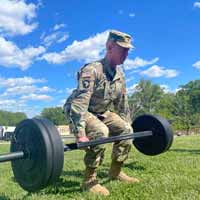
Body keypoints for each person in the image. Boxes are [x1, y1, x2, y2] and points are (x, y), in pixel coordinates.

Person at [63, 30, 139, 196]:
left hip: (101, 111)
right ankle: (89, 181)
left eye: (127, 50)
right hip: (80, 110)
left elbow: (122, 103)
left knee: (127, 131)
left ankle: (116, 171)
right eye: (122, 49)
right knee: (100, 131)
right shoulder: (92, 70)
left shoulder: (120, 75)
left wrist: (128, 125)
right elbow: (80, 103)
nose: (126, 53)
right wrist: (80, 133)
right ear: (109, 47)